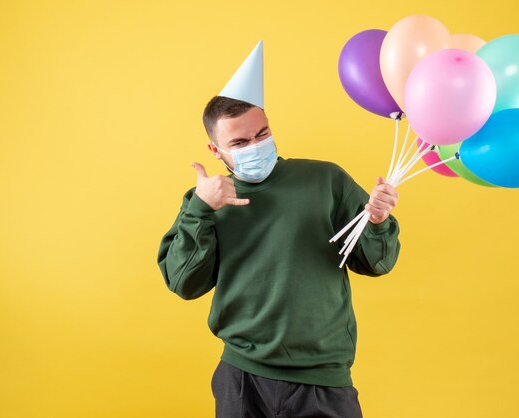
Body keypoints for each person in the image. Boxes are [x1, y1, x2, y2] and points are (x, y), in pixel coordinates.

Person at [157, 41, 401, 418]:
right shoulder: (206, 199)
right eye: (239, 142)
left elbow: (376, 263)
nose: (255, 146)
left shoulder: (325, 180)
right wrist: (200, 210)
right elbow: (184, 283)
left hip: (323, 376)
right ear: (215, 150)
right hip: (243, 375)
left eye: (262, 134)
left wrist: (378, 221)